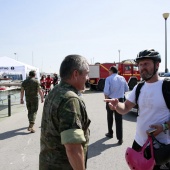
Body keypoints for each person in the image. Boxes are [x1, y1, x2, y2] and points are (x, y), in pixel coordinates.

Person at [105, 49, 170, 169]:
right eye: (140, 64)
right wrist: (117, 105)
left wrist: (164, 127)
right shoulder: (139, 87)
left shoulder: (166, 87)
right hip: (139, 143)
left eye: (146, 64)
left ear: (157, 65)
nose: (142, 67)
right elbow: (125, 108)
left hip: (160, 148)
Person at [39, 54, 91, 170]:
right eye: (86, 73)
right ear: (76, 74)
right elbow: (73, 148)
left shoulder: (55, 91)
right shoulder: (70, 99)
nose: (88, 78)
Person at [104, 66, 129, 145]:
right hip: (120, 100)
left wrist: (106, 101)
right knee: (119, 119)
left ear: (111, 71)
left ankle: (110, 133)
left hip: (111, 100)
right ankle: (120, 138)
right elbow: (127, 89)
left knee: (110, 117)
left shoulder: (108, 79)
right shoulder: (122, 78)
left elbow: (106, 91)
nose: (108, 72)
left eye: (109, 71)